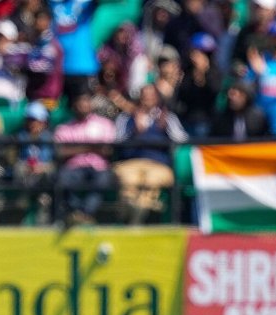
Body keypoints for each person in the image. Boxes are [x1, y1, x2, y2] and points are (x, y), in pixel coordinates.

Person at [113, 84, 188, 223]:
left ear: (157, 98)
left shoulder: (168, 118)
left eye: (151, 95)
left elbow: (182, 139)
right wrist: (134, 130)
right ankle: (133, 211)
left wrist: (167, 128)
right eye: (144, 95)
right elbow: (116, 140)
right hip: (130, 163)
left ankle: (137, 216)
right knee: (129, 181)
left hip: (158, 164)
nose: (147, 98)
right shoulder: (125, 117)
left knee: (151, 181)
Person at [53, 92, 116, 225]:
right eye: (79, 103)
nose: (83, 106)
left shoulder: (104, 124)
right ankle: (77, 212)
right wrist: (89, 147)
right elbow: (60, 152)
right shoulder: (64, 128)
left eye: (86, 102)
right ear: (74, 106)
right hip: (74, 166)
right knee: (62, 178)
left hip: (98, 166)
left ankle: (85, 213)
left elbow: (107, 150)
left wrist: (76, 148)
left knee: (103, 179)